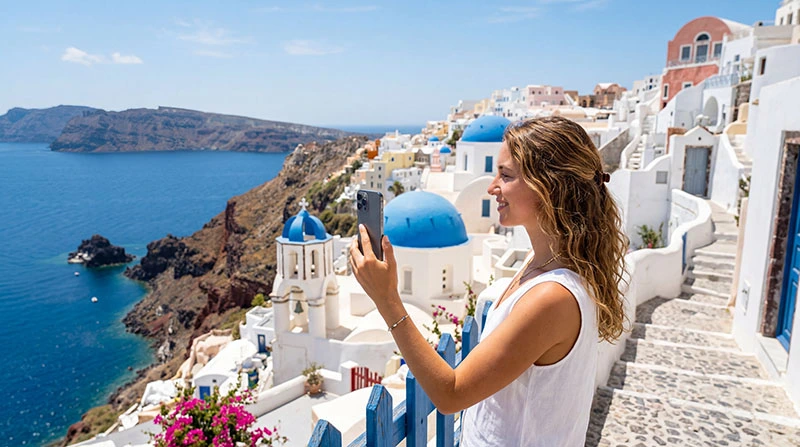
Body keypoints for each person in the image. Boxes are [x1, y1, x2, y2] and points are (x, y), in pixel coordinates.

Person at [349, 116, 628, 446]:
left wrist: (387, 301)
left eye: (506, 176)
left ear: (549, 187)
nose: (492, 186)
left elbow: (451, 394)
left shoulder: (551, 297)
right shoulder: (544, 264)